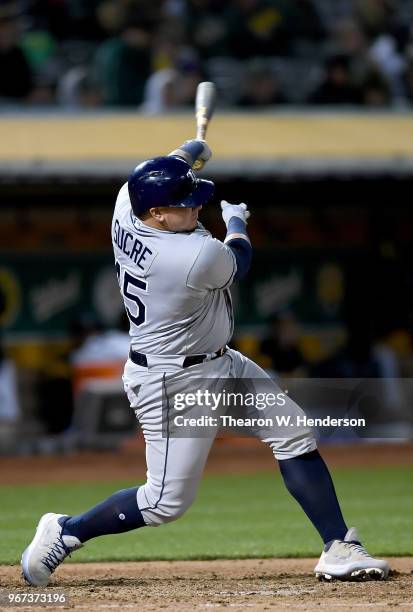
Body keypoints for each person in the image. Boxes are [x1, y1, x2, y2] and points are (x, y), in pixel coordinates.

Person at [21, 139, 389, 586]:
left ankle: (338, 545)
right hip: (173, 381)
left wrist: (186, 153)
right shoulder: (191, 256)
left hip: (219, 362)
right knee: (164, 503)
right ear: (156, 214)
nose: (197, 208)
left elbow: (168, 168)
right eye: (186, 204)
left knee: (293, 431)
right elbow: (239, 258)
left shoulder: (127, 201)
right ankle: (66, 530)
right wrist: (236, 222)